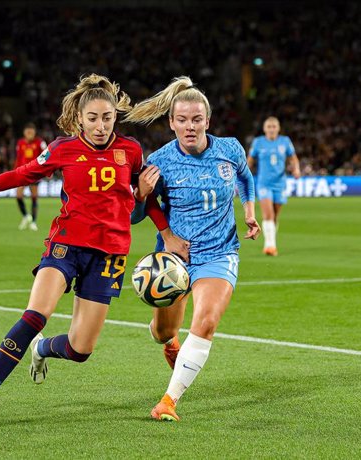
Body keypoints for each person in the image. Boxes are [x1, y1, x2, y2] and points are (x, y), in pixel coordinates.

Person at [0, 74, 149, 430]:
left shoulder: (132, 151)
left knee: (81, 350)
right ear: (79, 117)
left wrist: (147, 202)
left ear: (116, 116)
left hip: (110, 254)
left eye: (107, 117)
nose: (100, 125)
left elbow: (141, 208)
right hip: (66, 245)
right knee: (36, 314)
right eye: (93, 118)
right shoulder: (63, 148)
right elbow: (23, 174)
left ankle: (41, 349)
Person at [125, 76, 261, 422]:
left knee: (207, 320)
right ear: (171, 123)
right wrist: (141, 194)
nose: (190, 126)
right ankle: (171, 344)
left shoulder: (229, 149)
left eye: (196, 119)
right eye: (182, 120)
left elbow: (245, 177)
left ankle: (168, 401)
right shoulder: (160, 160)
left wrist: (248, 211)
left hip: (219, 253)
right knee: (163, 332)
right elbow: (138, 214)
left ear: (207, 121)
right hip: (174, 260)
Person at [247, 117, 300, 256]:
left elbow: (293, 157)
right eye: (269, 127)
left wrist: (296, 169)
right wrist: (244, 174)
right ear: (265, 129)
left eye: (274, 126)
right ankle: (270, 245)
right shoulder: (258, 142)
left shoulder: (285, 141)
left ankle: (271, 241)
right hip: (264, 183)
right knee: (268, 214)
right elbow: (250, 160)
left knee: (275, 215)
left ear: (278, 128)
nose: (271, 129)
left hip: (280, 183)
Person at [14, 122, 47, 231]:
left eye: (31, 132)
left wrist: (45, 169)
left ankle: (33, 221)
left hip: (34, 173)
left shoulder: (40, 143)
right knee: (18, 196)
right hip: (22, 173)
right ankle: (26, 216)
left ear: (34, 133)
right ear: (24, 133)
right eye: (27, 132)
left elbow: (47, 154)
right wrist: (15, 171)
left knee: (34, 197)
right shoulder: (20, 143)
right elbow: (18, 158)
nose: (29, 134)